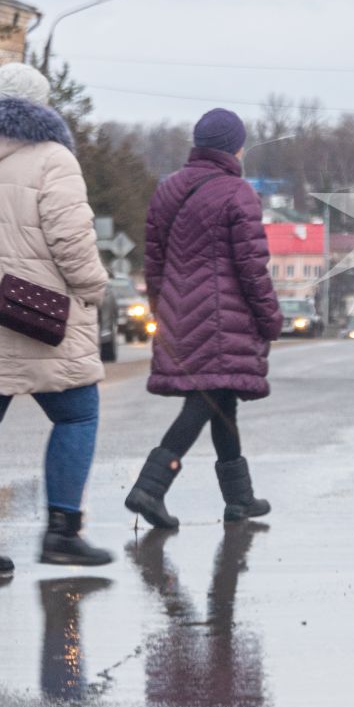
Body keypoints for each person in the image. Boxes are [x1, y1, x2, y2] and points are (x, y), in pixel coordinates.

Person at [0, 63, 113, 575]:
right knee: (77, 413)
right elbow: (71, 237)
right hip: (40, 311)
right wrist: (93, 289)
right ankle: (62, 532)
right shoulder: (53, 157)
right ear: (41, 106)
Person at [125, 108, 282, 530]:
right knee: (205, 400)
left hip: (179, 311)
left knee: (222, 402)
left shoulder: (166, 191)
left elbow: (153, 262)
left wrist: (164, 310)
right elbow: (252, 267)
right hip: (220, 317)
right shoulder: (238, 193)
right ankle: (150, 488)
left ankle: (240, 500)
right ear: (234, 146)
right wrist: (270, 317)